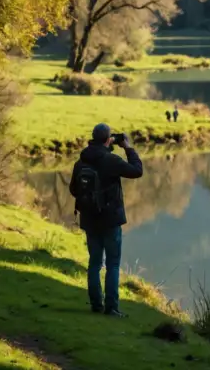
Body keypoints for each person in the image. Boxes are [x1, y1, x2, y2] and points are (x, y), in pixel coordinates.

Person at [69, 123, 143, 317]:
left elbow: (73, 190)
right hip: (110, 221)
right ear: (108, 139)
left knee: (94, 263)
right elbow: (137, 170)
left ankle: (96, 304)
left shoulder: (80, 162)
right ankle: (111, 307)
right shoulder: (111, 160)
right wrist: (128, 147)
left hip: (89, 220)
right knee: (112, 264)